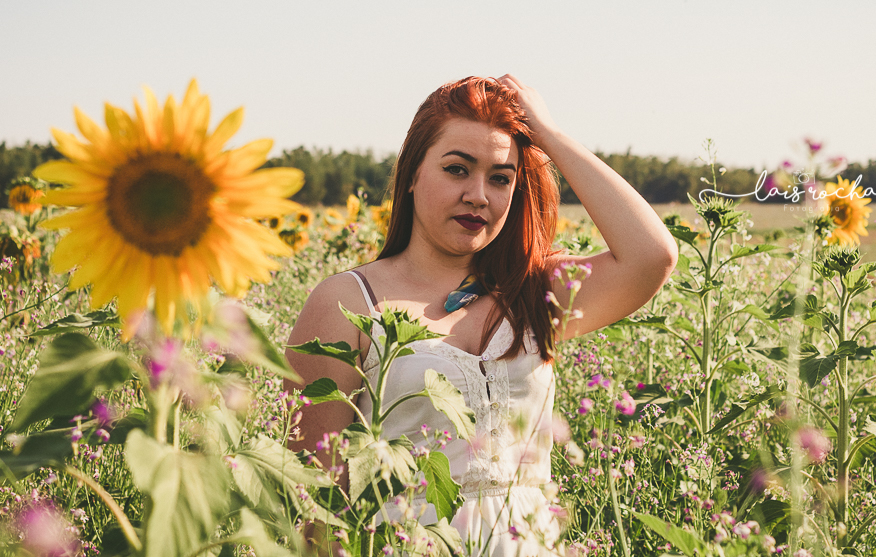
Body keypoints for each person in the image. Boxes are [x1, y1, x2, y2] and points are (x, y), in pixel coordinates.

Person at [285, 75, 677, 556]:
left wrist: (548, 135)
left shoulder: (535, 291)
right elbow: (312, 501)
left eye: (500, 178)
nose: (479, 195)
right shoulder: (347, 303)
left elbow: (651, 256)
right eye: (457, 169)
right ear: (412, 174)